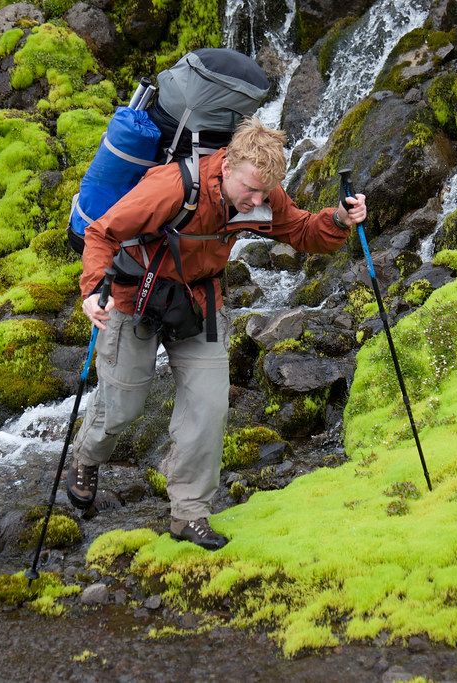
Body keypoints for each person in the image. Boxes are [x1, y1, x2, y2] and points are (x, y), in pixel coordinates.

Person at [67, 116, 367, 550]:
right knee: (123, 407)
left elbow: (301, 231)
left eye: (265, 193)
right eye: (250, 190)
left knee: (208, 408)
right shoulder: (173, 187)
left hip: (197, 304)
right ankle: (86, 455)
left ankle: (189, 514)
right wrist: (95, 289)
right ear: (227, 165)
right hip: (133, 298)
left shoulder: (263, 192)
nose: (256, 201)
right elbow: (101, 233)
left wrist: (339, 218)